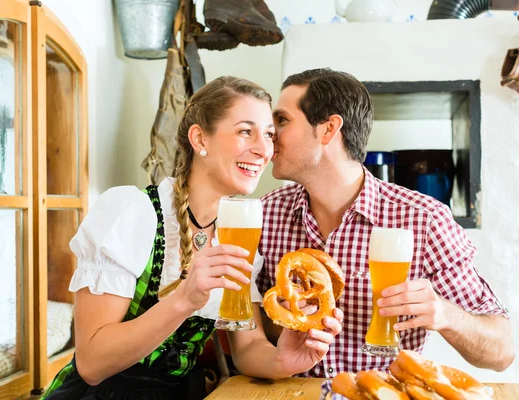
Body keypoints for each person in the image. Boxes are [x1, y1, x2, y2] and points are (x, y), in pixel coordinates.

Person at [41, 76, 343, 400]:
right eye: (246, 131)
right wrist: (184, 299)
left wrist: (284, 360)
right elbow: (91, 362)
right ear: (200, 138)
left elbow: (248, 346)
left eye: (269, 135)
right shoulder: (132, 212)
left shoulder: (239, 229)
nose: (263, 149)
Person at [255, 68, 516, 378]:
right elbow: (252, 330)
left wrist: (446, 314)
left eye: (282, 120)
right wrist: (285, 319)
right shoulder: (265, 214)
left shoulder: (423, 220)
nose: (270, 133)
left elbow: (502, 351)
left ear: (328, 130)